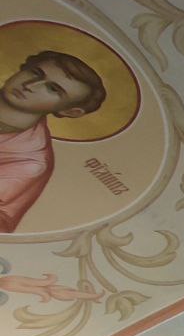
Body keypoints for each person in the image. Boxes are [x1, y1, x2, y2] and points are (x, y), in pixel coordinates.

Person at [0, 49, 107, 231]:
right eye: (35, 73)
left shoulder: (29, 162)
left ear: (70, 111)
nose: (30, 85)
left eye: (53, 89)